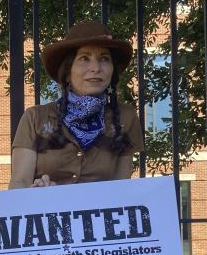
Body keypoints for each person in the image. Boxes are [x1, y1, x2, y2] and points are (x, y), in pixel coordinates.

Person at [9, 21, 142, 188]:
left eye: (104, 58)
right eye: (84, 58)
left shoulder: (125, 118)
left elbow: (121, 189)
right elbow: (19, 184)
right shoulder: (35, 118)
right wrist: (36, 192)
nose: (96, 68)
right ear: (67, 72)